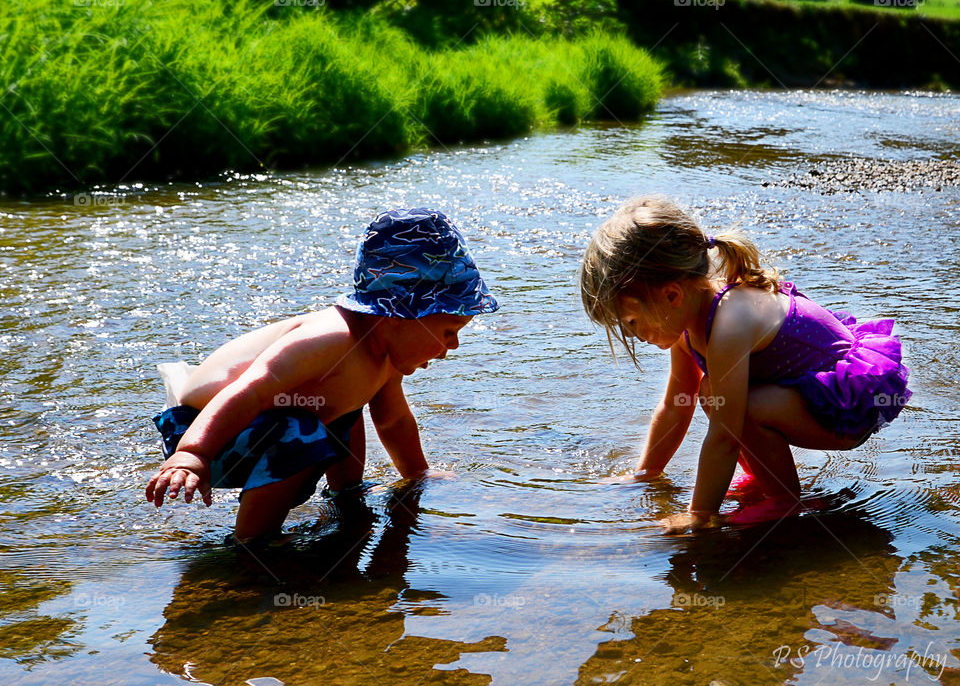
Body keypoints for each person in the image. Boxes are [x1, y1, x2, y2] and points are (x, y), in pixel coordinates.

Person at [145, 208, 499, 543]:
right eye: (450, 330)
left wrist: (417, 475)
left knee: (340, 405)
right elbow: (251, 390)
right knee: (305, 429)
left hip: (254, 430)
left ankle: (346, 494)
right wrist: (193, 454)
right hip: (204, 430)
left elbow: (393, 423)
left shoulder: (383, 355)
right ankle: (253, 543)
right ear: (402, 314)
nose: (453, 346)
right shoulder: (332, 339)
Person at [580, 195, 911, 533]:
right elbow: (675, 408)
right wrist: (645, 474)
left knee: (733, 406)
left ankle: (784, 500)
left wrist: (699, 516)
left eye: (632, 322)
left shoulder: (730, 323)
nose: (633, 335)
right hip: (806, 398)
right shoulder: (687, 323)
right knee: (711, 392)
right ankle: (762, 480)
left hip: (846, 406)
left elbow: (724, 436)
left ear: (671, 295)